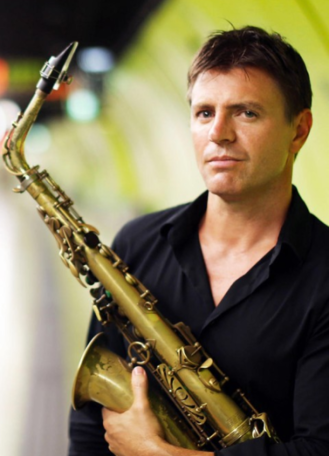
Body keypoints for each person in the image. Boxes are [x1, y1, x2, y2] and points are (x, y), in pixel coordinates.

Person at [67, 25, 329, 456]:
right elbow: (90, 424)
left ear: (299, 130)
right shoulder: (137, 243)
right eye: (204, 113)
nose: (218, 133)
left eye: (246, 113)